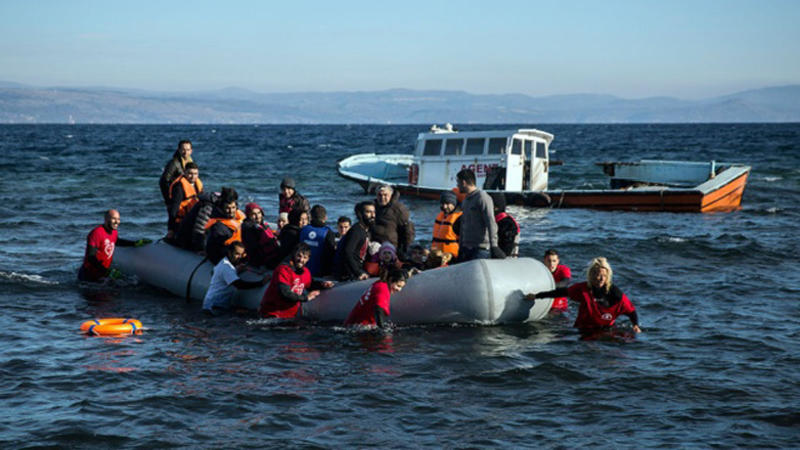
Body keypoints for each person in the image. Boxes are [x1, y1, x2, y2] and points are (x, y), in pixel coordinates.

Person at [525, 257, 642, 335]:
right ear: (590, 275)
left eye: (603, 276)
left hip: (606, 331)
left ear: (608, 277)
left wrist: (635, 325)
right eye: (596, 274)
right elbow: (561, 292)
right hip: (583, 330)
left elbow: (631, 311)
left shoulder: (615, 294)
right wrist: (537, 296)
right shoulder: (583, 289)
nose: (599, 278)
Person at [258, 243, 334, 319]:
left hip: (289, 316)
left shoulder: (306, 272)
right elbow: (285, 293)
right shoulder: (283, 270)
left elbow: (309, 284)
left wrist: (323, 284)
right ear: (294, 255)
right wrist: (306, 298)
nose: (301, 260)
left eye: (305, 257)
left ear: (308, 259)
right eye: (299, 256)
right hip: (271, 315)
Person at [202, 241, 269, 315]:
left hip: (214, 306)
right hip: (214, 307)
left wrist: (236, 271)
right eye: (237, 254)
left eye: (241, 254)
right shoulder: (226, 267)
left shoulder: (224, 262)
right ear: (229, 252)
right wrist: (261, 283)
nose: (239, 257)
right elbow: (240, 285)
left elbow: (215, 273)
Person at [455, 169, 505, 262]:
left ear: (464, 182)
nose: (457, 186)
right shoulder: (465, 201)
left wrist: (494, 246)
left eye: (458, 182)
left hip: (480, 249)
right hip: (466, 248)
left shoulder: (482, 197)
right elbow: (463, 224)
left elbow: (491, 222)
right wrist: (461, 246)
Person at [78, 209, 136, 282]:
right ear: (106, 219)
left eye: (118, 219)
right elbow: (91, 257)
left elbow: (116, 241)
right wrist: (107, 271)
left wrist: (134, 243)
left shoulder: (114, 232)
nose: (117, 222)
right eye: (114, 219)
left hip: (102, 274)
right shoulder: (96, 233)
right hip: (88, 276)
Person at [334, 201, 375, 281]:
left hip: (357, 269)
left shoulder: (365, 230)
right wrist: (358, 272)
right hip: (349, 274)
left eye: (374, 212)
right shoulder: (356, 231)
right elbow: (347, 252)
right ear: (360, 214)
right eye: (368, 212)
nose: (373, 215)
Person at [204, 188, 245, 265]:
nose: (231, 211)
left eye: (233, 208)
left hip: (239, 251)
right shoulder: (218, 227)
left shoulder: (239, 217)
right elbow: (215, 251)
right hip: (226, 257)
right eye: (227, 208)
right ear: (222, 208)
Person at [372, 184, 415, 259]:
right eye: (380, 195)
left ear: (391, 195)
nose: (382, 198)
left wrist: (405, 249)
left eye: (385, 195)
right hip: (374, 246)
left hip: (391, 248)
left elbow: (408, 230)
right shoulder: (372, 207)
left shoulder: (399, 209)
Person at [241, 202, 282, 270]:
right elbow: (253, 249)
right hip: (263, 261)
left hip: (271, 255)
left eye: (259, 213)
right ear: (248, 215)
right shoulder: (250, 228)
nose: (257, 216)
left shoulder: (262, 225)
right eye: (253, 214)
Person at [167, 162, 203, 237]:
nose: (193, 176)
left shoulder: (197, 185)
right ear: (184, 172)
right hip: (182, 222)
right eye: (190, 173)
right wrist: (171, 229)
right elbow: (174, 209)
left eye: (195, 174)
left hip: (194, 220)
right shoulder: (179, 187)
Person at [299, 205, 337, 277]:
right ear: (325, 218)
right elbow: (331, 254)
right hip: (320, 273)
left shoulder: (303, 230)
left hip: (302, 269)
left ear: (311, 217)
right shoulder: (328, 232)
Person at [159, 140, 194, 206]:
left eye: (188, 150)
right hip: (176, 198)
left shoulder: (190, 162)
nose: (185, 152)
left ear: (191, 151)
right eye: (183, 150)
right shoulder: (174, 163)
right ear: (179, 150)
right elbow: (163, 181)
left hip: (186, 197)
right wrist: (169, 199)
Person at [431, 190, 462, 259]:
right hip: (437, 255)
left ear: (454, 203)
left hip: (451, 257)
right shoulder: (441, 215)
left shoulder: (459, 218)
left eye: (447, 203)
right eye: (442, 203)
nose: (444, 206)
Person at [490, 193, 519, 258]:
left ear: (495, 208)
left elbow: (507, 249)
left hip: (506, 260)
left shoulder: (507, 223)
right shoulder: (499, 220)